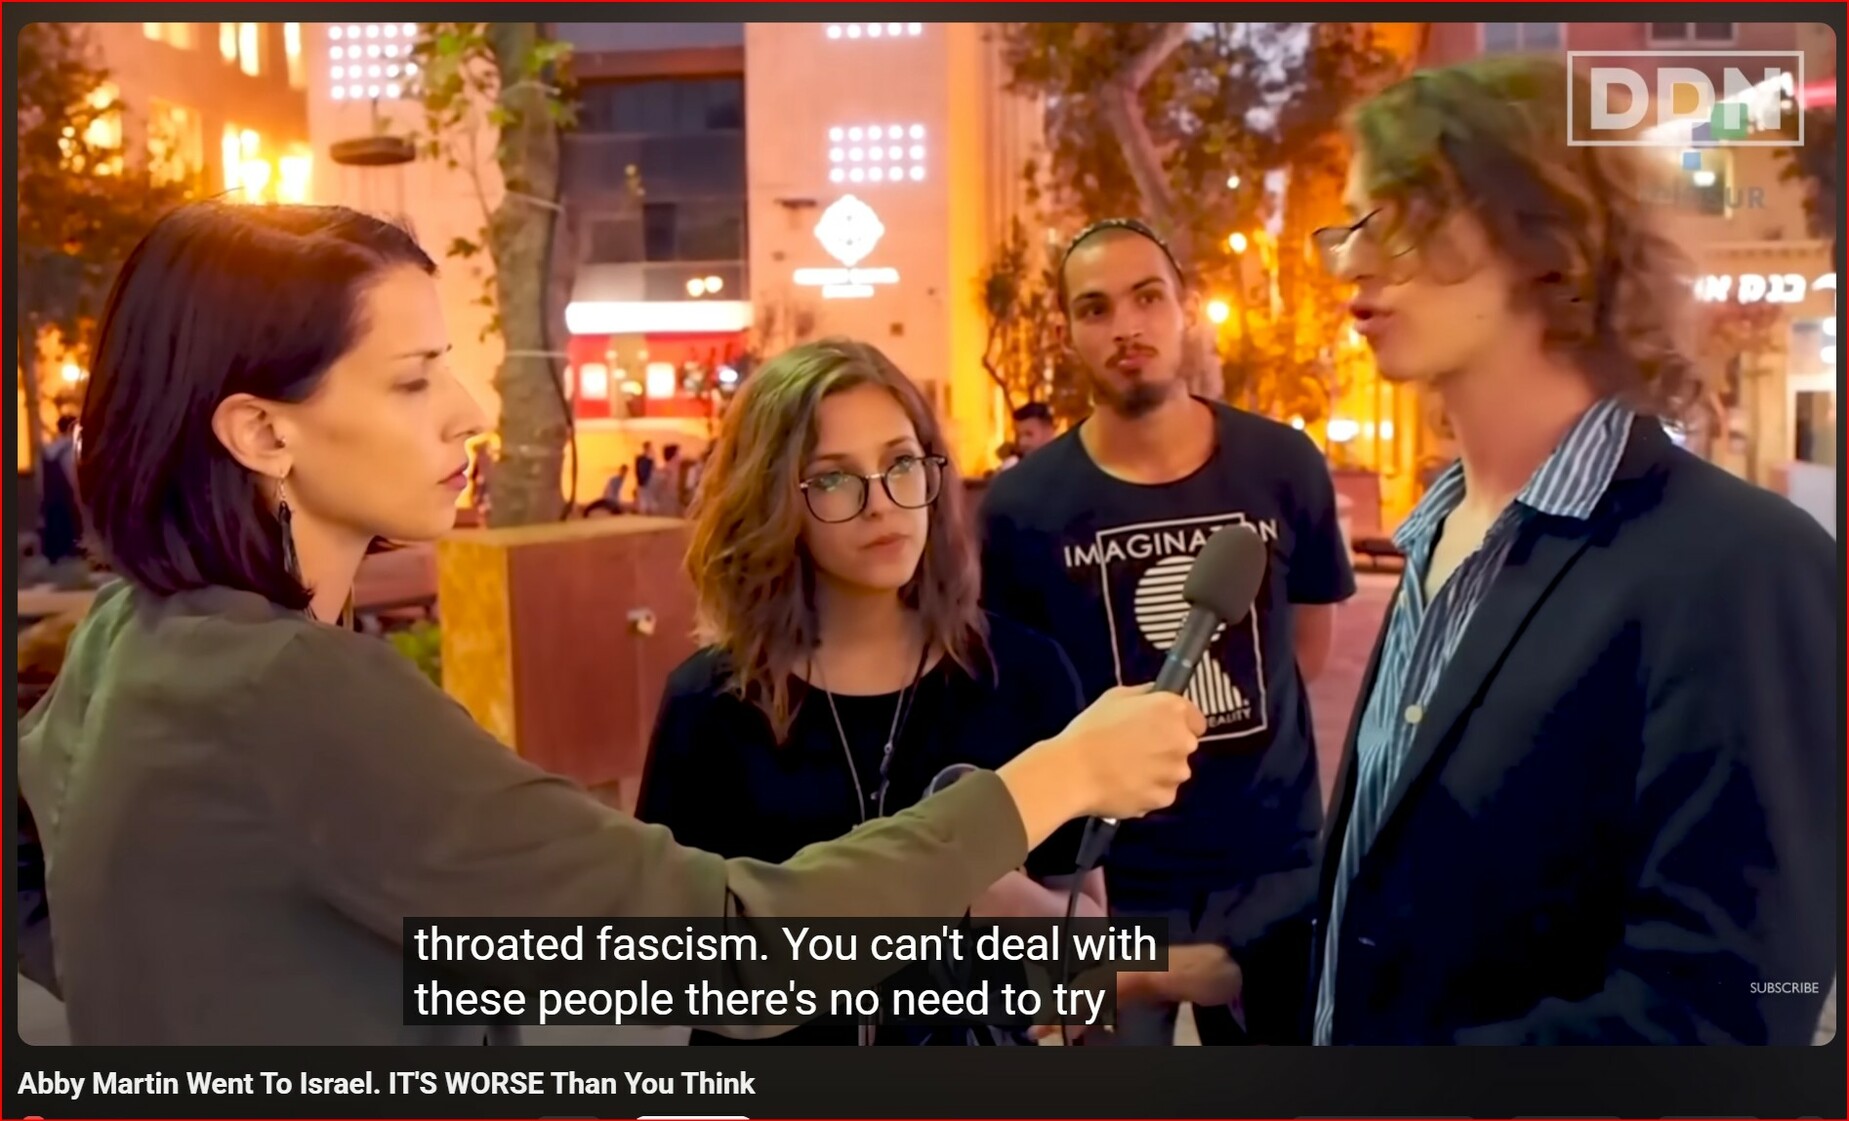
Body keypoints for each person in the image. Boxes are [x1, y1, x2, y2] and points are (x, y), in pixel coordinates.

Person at [15, 201, 1207, 1046]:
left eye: (904, 465)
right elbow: (727, 949)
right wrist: (1047, 780)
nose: (470, 410)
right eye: (414, 376)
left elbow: (48, 883)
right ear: (261, 430)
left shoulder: (132, 635)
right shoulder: (293, 690)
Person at [1308, 57, 1836, 1045]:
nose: (1352, 262)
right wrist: (1177, 961)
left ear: (1545, 230)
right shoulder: (1436, 535)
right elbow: (1393, 915)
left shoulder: (1740, 569)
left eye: (1399, 214)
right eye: (1348, 225)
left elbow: (1722, 1017)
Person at [636, 339, 1104, 1046]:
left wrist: (989, 890)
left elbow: (1090, 958)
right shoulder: (710, 703)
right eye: (833, 478)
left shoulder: (1026, 673)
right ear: (773, 499)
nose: (881, 504)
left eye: (901, 463)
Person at [979, 217, 1356, 1045]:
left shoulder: (1282, 465)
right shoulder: (1021, 508)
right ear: (1067, 333)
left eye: (1147, 297)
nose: (1126, 326)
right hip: (1108, 877)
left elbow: (1305, 648)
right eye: (1096, 308)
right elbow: (1023, 705)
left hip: (1272, 864)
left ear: (1186, 309)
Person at [998, 401, 1055, 469]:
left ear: (1048, 432)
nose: (1022, 442)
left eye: (1029, 434)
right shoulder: (1016, 467)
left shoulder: (1063, 466)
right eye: (1019, 435)